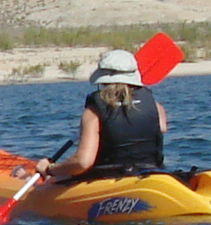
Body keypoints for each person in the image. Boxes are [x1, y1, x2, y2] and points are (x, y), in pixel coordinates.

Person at [31, 48, 166, 184]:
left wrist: (51, 169)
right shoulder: (156, 107)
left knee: (50, 180)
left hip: (107, 178)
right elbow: (161, 128)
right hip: (150, 175)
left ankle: (26, 177)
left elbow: (82, 162)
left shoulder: (93, 112)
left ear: (102, 78)